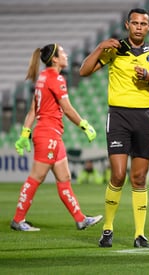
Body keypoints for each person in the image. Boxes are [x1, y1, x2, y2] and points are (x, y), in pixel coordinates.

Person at [79, 8, 149, 248]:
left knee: (139, 177)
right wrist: (100, 47)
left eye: (144, 23)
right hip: (119, 116)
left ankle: (139, 234)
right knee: (118, 175)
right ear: (127, 25)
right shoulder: (114, 49)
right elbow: (84, 71)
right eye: (135, 23)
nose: (139, 27)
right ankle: (108, 228)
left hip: (145, 118)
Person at [11, 43, 103, 232]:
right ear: (54, 59)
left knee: (64, 177)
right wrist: (84, 125)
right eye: (62, 52)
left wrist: (24, 134)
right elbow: (67, 108)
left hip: (50, 134)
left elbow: (32, 110)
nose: (66, 55)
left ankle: (80, 219)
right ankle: (18, 220)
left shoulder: (42, 78)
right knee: (37, 177)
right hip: (48, 134)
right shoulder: (55, 78)